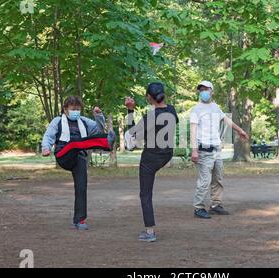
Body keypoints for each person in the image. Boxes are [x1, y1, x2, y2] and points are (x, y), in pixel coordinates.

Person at [41, 96, 114, 230]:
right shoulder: (57, 121)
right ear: (65, 109)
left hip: (79, 156)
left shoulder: (84, 121)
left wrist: (98, 116)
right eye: (73, 109)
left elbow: (98, 130)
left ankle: (79, 220)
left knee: (81, 187)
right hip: (64, 154)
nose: (76, 111)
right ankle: (105, 143)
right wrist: (46, 147)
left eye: (78, 109)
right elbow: (48, 135)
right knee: (75, 144)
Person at [124, 82, 178, 242]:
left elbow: (132, 134)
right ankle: (149, 231)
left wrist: (130, 110)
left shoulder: (150, 117)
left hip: (151, 158)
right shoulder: (172, 110)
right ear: (164, 95)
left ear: (149, 97)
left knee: (145, 194)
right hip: (167, 154)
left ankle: (149, 231)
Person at [190, 80, 248, 219]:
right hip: (203, 150)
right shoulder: (196, 109)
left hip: (216, 150)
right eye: (201, 89)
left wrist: (240, 130)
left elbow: (227, 120)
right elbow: (193, 130)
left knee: (218, 179)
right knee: (204, 181)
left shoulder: (215, 107)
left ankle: (216, 205)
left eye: (206, 89)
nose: (203, 92)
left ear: (212, 91)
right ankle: (198, 208)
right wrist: (194, 150)